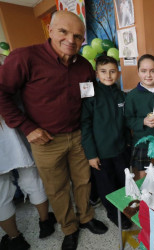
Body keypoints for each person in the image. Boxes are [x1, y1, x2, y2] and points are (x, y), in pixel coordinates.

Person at [0, 11, 107, 250]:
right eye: (64, 32)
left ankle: (86, 217)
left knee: (83, 181)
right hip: (46, 141)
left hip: (79, 135)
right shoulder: (24, 58)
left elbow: (90, 100)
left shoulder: (84, 67)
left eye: (78, 36)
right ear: (50, 30)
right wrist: (27, 127)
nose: (71, 39)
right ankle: (69, 228)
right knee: (57, 189)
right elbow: (3, 94)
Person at [81, 55, 132, 229]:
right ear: (96, 73)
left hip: (120, 150)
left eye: (112, 71)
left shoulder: (120, 94)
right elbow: (85, 126)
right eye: (103, 72)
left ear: (118, 73)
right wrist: (91, 154)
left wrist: (128, 144)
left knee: (123, 182)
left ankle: (125, 210)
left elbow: (125, 123)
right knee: (107, 186)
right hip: (100, 153)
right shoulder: (90, 93)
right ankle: (113, 214)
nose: (108, 76)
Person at [0, 117, 56, 249]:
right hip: (14, 125)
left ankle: (15, 239)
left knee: (1, 193)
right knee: (32, 177)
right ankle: (45, 222)